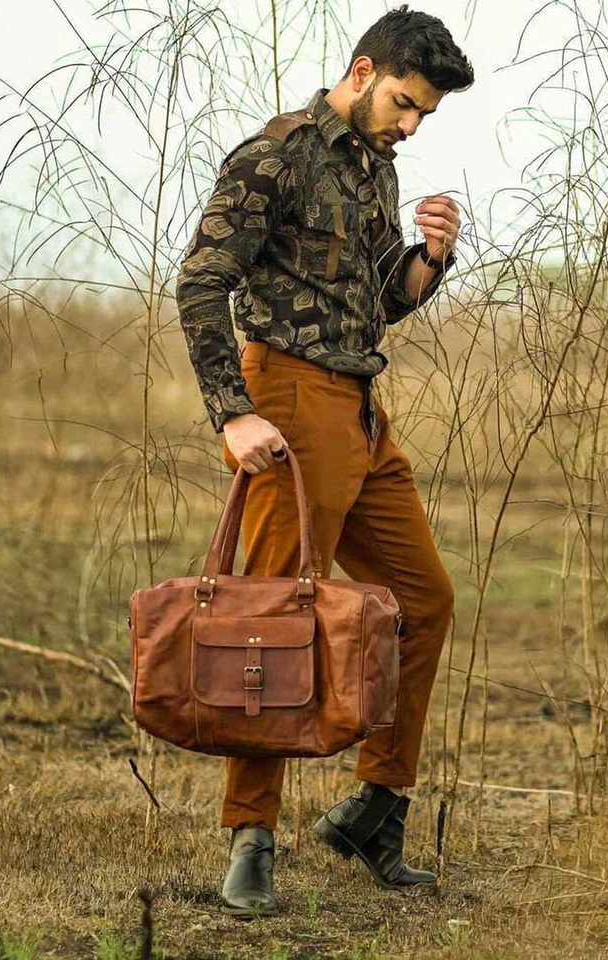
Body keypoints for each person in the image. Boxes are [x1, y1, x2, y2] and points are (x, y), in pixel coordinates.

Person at [175, 4, 474, 918]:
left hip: (362, 410)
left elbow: (376, 303)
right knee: (266, 618)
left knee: (422, 602)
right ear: (360, 71)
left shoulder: (375, 168)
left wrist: (428, 259)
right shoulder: (275, 156)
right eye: (404, 102)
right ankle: (250, 838)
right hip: (290, 406)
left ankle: (376, 810)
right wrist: (233, 414)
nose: (411, 124)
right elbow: (200, 283)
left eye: (424, 113)